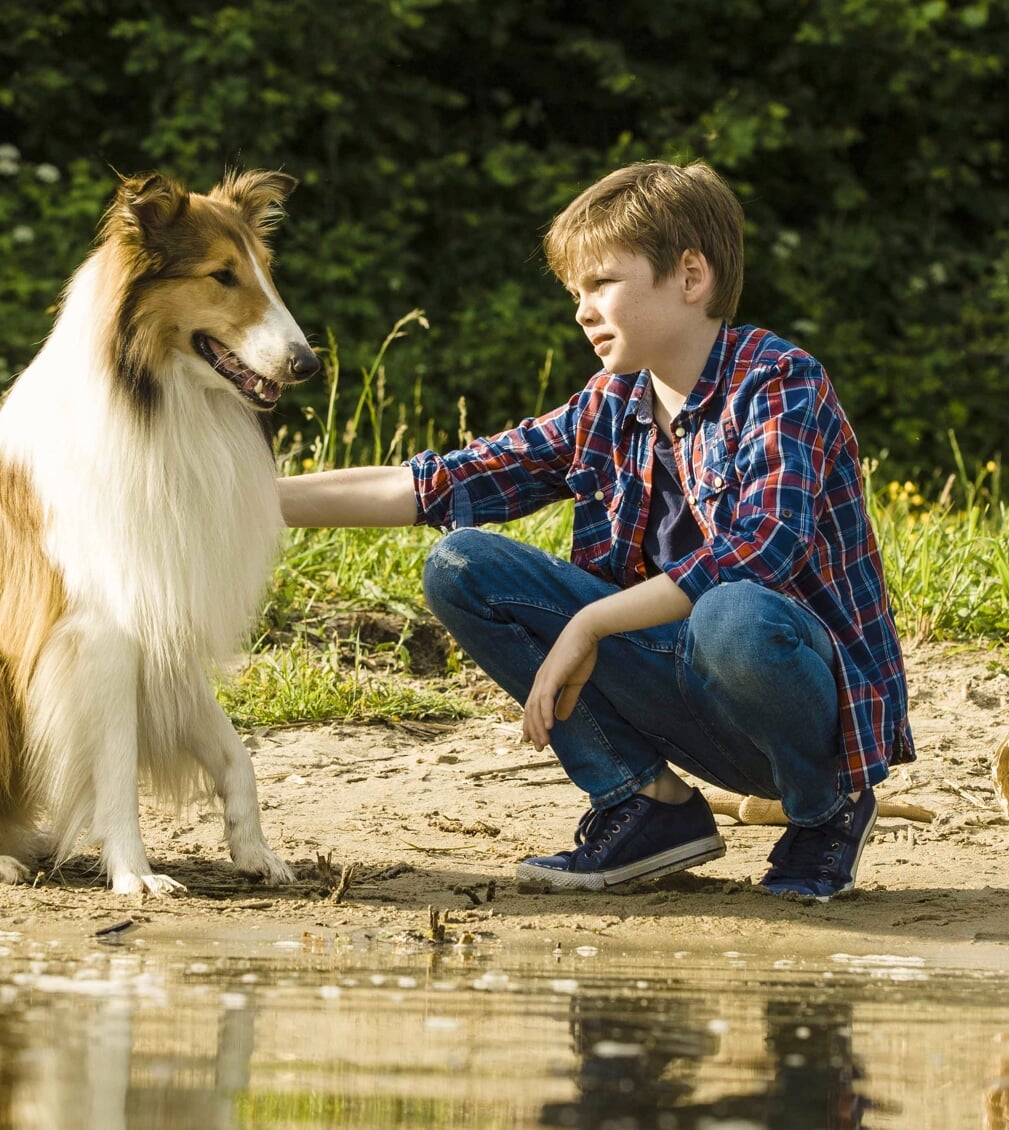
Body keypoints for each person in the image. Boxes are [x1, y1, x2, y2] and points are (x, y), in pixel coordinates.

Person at [278, 160, 914, 899]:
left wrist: (589, 623)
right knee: (462, 564)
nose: (581, 310)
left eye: (602, 283)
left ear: (690, 277)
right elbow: (440, 483)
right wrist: (239, 497)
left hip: (802, 712)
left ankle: (825, 810)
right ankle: (645, 805)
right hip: (689, 702)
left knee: (733, 609)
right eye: (575, 292)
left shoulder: (777, 379)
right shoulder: (609, 403)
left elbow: (761, 548)